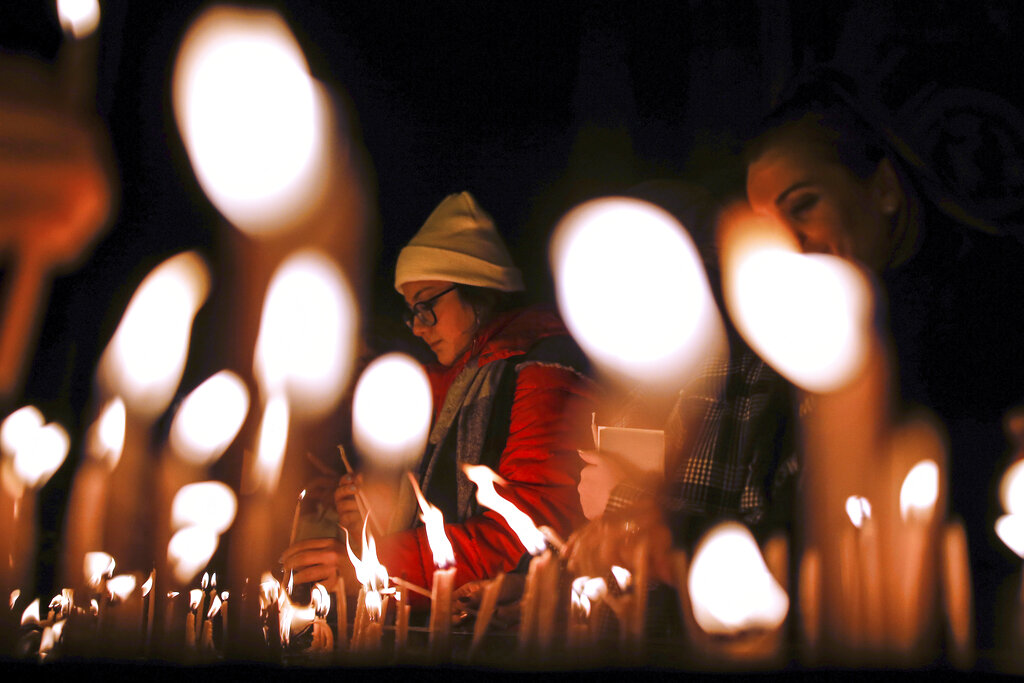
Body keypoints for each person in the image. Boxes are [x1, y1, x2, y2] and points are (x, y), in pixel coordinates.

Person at [741, 71, 1024, 651]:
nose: (789, 246)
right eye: (768, 228)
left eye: (805, 205)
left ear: (886, 188)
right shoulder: (808, 343)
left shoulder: (993, 304)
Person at [282, 191, 598, 607]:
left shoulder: (542, 370)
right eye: (411, 311)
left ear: (478, 290)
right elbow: (426, 506)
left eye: (427, 304)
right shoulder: (445, 385)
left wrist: (369, 563)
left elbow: (526, 537)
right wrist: (371, 507)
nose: (417, 326)